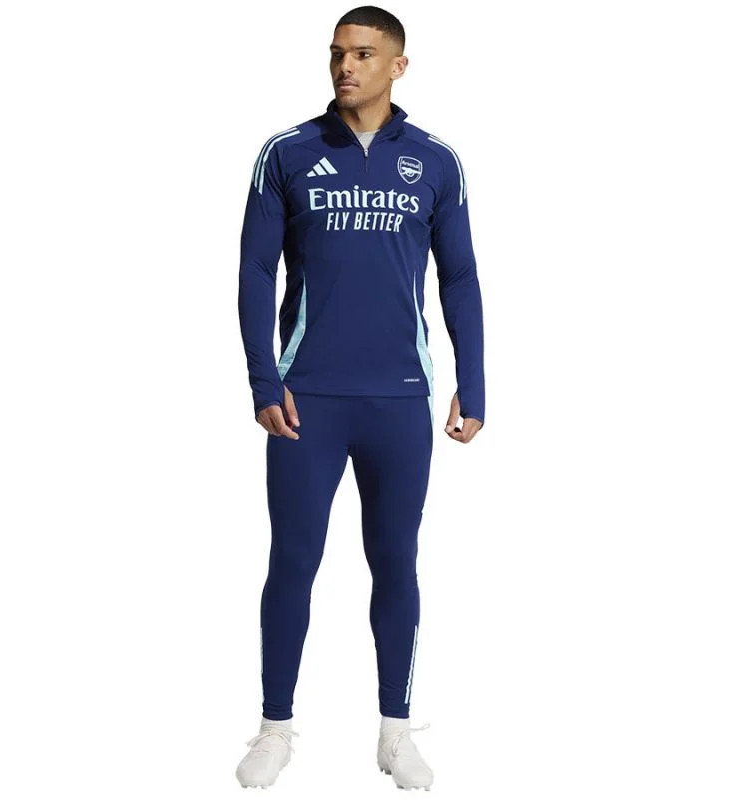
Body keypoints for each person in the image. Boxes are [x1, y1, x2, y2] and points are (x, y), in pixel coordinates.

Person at [235, 5, 484, 790]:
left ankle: (395, 732)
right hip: (305, 400)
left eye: (365, 54)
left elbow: (461, 278)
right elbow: (254, 272)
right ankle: (275, 728)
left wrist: (473, 382)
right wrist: (263, 379)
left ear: (398, 66)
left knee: (396, 563)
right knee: (292, 561)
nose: (346, 66)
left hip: (400, 400)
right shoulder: (287, 152)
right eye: (338, 52)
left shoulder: (436, 162)